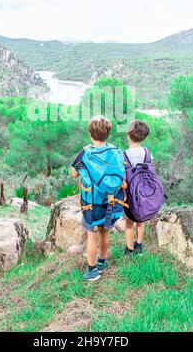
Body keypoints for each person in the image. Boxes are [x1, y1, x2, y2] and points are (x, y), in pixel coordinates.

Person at [71, 115, 124, 281]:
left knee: (92, 236)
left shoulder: (85, 153)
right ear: (108, 134)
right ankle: (102, 262)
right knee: (105, 233)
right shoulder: (115, 151)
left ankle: (92, 271)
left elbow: (74, 174)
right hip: (111, 201)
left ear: (90, 133)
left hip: (92, 203)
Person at [124, 120, 152, 255]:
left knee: (129, 222)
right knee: (141, 220)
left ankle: (129, 249)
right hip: (145, 192)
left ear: (128, 135)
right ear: (144, 137)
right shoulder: (147, 152)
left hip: (130, 194)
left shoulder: (124, 154)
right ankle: (139, 246)